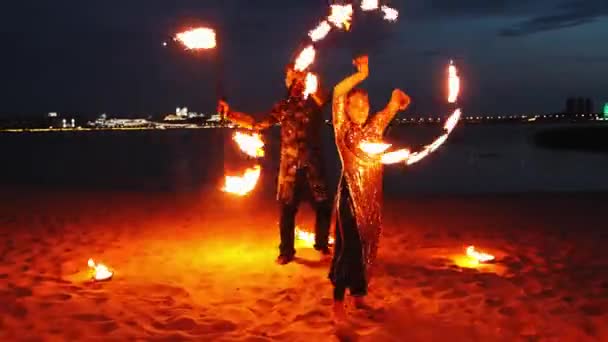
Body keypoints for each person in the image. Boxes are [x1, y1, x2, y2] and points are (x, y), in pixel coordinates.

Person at [218, 64, 332, 265]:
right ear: (287, 83)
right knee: (287, 211)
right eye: (292, 79)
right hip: (289, 169)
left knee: (323, 206)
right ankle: (286, 251)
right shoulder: (283, 107)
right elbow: (256, 122)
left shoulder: (315, 101)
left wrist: (308, 77)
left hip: (313, 167)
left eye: (300, 78)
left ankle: (321, 243)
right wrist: (230, 114)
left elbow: (325, 94)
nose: (296, 82)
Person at [328, 55, 410, 319]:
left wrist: (399, 97)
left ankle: (359, 296)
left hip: (371, 200)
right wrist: (361, 75)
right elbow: (337, 92)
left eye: (364, 105)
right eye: (355, 105)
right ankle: (338, 303)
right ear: (347, 109)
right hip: (350, 197)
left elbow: (391, 106)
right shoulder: (343, 130)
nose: (361, 110)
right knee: (348, 247)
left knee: (367, 247)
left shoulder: (374, 128)